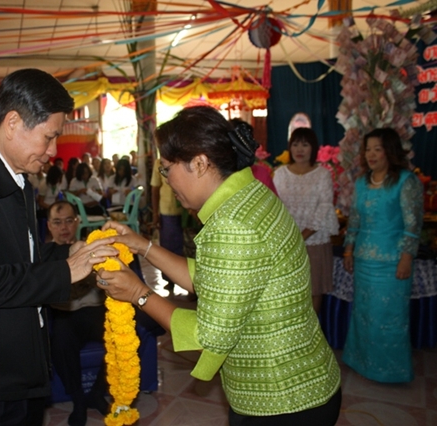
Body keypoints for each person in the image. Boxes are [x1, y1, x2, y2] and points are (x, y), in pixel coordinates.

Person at [97, 106, 341, 425]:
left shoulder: (231, 224)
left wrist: (138, 293)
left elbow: (208, 335)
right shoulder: (249, 194)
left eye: (167, 169)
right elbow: (214, 281)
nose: (166, 181)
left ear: (199, 163)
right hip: (304, 382)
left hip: (282, 399)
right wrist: (143, 245)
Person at [0, 68, 117, 426]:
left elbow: (18, 259)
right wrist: (63, 272)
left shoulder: (18, 182)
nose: (53, 151)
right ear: (13, 123)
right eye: (49, 137)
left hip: (19, 365)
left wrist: (70, 254)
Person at [342, 128, 423, 383]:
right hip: (364, 262)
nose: (372, 154)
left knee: (388, 317)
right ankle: (362, 362)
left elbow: (413, 224)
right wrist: (348, 249)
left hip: (392, 263)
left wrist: (407, 257)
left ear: (390, 151)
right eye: (368, 149)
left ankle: (389, 371)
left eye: (378, 149)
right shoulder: (361, 182)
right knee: (364, 315)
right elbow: (354, 219)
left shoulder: (405, 181)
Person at [42, 201, 108, 426]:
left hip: (96, 311)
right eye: (57, 222)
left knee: (125, 335)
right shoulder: (45, 255)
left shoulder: (91, 248)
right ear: (49, 226)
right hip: (66, 315)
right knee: (60, 341)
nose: (64, 227)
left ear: (77, 222)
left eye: (69, 221)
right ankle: (78, 400)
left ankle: (97, 392)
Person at [273, 128, 338, 314]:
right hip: (285, 243)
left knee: (313, 291)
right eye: (295, 144)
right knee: (287, 293)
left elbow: (324, 207)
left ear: (313, 148)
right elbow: (275, 206)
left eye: (305, 144)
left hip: (314, 242)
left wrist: (302, 236)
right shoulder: (280, 173)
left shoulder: (322, 174)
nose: (299, 149)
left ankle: (311, 332)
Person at [150, 157, 183, 295]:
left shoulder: (184, 158)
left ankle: (192, 284)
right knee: (168, 247)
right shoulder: (159, 163)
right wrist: (155, 213)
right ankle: (170, 280)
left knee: (187, 248)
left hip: (187, 212)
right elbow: (155, 188)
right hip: (167, 211)